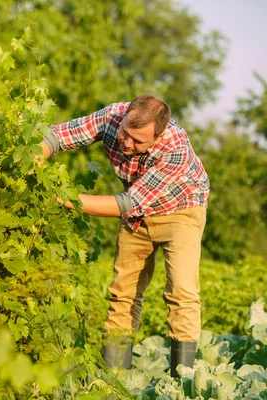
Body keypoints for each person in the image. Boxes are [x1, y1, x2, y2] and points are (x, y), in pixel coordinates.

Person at [40, 94, 209, 377]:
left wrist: (66, 198)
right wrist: (38, 155)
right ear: (126, 117)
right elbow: (58, 135)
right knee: (123, 293)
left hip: (181, 209)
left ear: (158, 135)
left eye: (138, 141)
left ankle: (183, 382)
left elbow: (126, 204)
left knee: (182, 292)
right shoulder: (113, 116)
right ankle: (114, 378)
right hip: (137, 215)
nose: (128, 143)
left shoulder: (175, 147)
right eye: (126, 134)